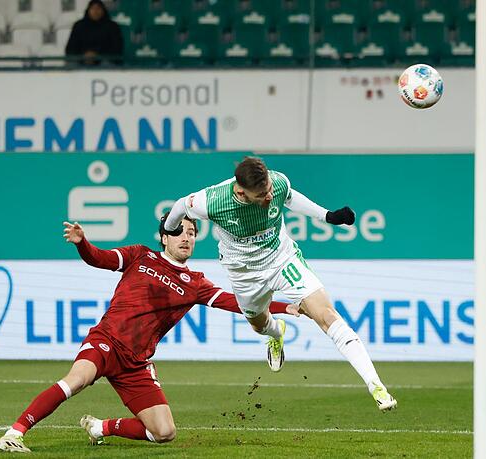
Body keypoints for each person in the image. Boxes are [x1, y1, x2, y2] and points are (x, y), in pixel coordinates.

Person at [0, 215, 291, 453]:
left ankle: (100, 427)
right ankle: (14, 434)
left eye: (191, 233)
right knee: (77, 380)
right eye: (178, 232)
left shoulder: (195, 283)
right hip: (107, 341)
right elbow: (100, 258)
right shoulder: (140, 255)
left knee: (164, 432)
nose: (186, 237)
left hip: (136, 363)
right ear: (164, 238)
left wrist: (286, 307)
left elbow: (238, 303)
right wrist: (82, 243)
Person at [164, 156, 397, 411]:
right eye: (261, 195)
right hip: (244, 273)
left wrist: (328, 216)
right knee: (258, 324)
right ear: (241, 192)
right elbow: (180, 205)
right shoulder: (213, 201)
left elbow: (290, 197)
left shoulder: (277, 182)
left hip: (282, 260)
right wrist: (170, 227)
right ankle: (276, 334)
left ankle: (376, 386)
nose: (268, 196)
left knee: (327, 316)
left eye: (268, 189)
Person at [65, 0, 123, 66]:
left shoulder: (112, 27)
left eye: (98, 8)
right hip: (81, 61)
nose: (95, 11)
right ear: (88, 10)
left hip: (105, 62)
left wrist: (97, 55)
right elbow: (70, 48)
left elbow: (117, 48)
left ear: (103, 10)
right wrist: (84, 55)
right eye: (93, 8)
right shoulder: (79, 26)